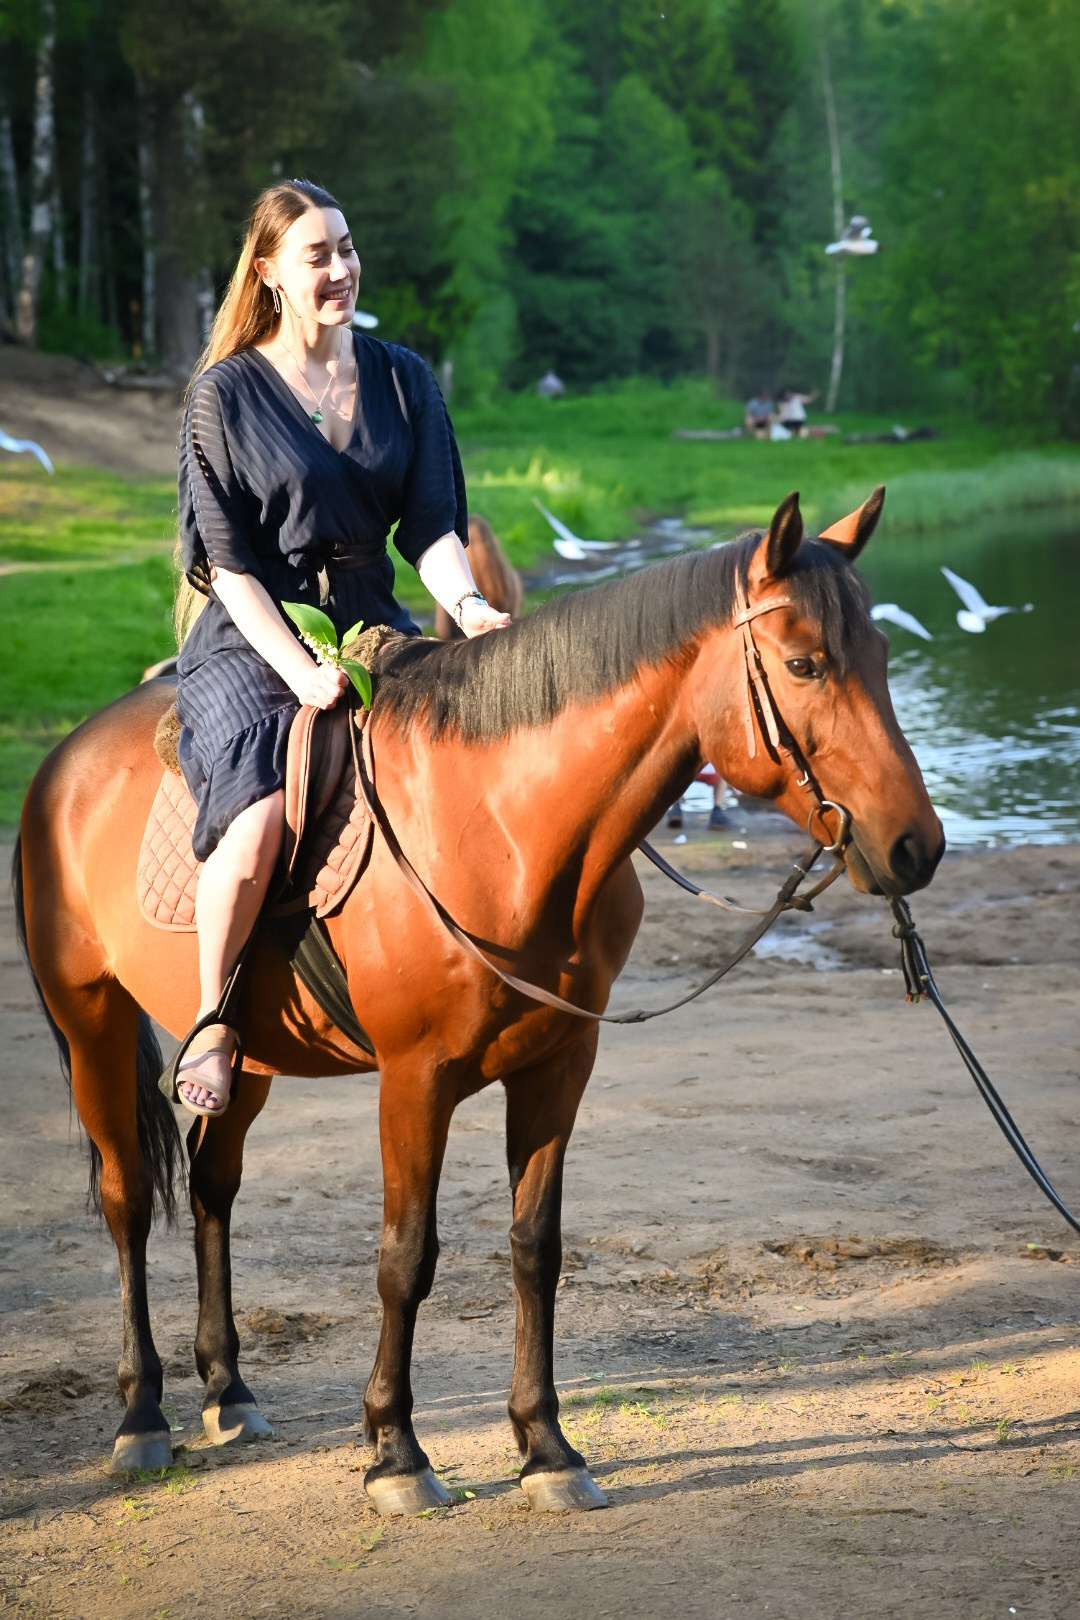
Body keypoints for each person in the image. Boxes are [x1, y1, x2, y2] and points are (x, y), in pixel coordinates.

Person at [172, 178, 508, 1117]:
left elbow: (432, 527)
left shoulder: (405, 377)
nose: (341, 269)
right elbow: (229, 568)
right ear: (270, 273)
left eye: (347, 248)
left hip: (374, 622)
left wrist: (470, 605)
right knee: (261, 821)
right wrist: (300, 672)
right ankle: (212, 1019)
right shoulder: (224, 396)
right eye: (317, 254)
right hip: (255, 636)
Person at [433, 515, 523, 640]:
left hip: (460, 652)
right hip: (502, 645)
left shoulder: (449, 583)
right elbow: (513, 619)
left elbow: (442, 629)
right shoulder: (511, 578)